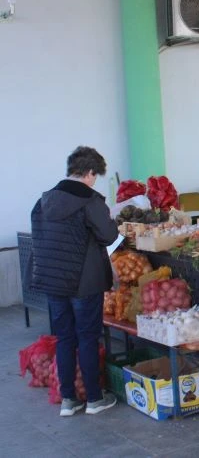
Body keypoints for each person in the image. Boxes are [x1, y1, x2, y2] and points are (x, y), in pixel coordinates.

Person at [30, 146, 119, 417]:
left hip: (53, 282)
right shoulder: (89, 200)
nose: (94, 181)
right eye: (95, 176)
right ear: (89, 172)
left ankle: (68, 399)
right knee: (88, 337)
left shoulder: (44, 200)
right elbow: (108, 235)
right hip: (84, 282)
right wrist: (110, 219)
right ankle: (94, 398)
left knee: (65, 338)